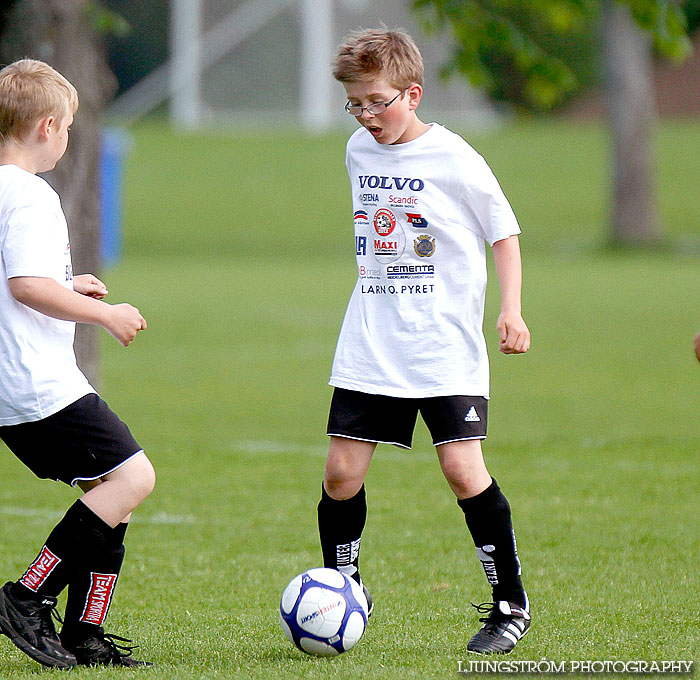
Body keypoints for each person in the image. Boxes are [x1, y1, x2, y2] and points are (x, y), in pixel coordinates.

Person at [316, 29, 532, 655]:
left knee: (463, 471)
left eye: (378, 101)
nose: (366, 115)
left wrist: (510, 311)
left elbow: (505, 232)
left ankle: (510, 605)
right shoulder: (358, 148)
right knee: (340, 474)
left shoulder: (456, 157)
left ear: (412, 94)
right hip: (371, 339)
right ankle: (346, 589)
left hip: (443, 345)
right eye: (355, 103)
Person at [0, 59, 154, 669]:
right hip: (37, 382)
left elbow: (28, 278)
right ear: (45, 126)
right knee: (132, 479)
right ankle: (27, 596)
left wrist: (72, 282)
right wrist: (106, 314)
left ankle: (84, 633)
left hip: (11, 385)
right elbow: (26, 287)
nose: (67, 140)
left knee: (105, 489)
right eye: (67, 128)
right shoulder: (33, 195)